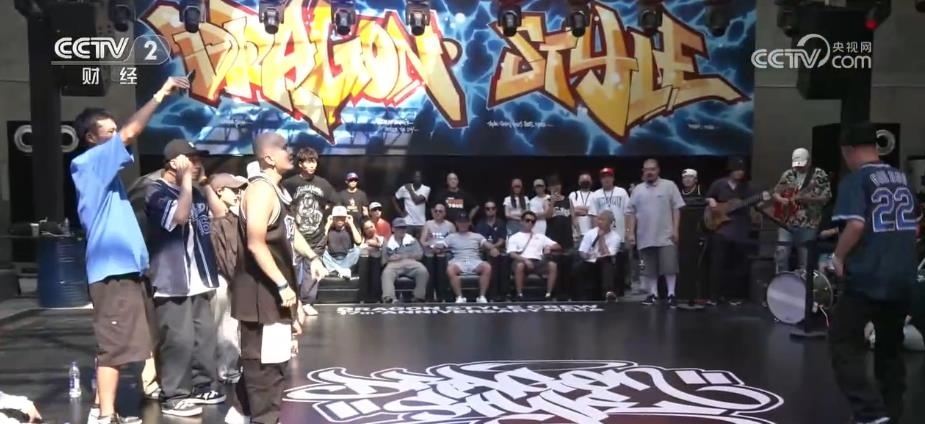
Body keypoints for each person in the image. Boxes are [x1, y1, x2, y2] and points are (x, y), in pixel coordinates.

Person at [70, 75, 188, 424]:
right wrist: (161, 93)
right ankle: (105, 415)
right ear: (91, 138)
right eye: (107, 132)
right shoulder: (88, 163)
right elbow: (131, 132)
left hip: (128, 271)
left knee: (122, 340)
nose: (116, 135)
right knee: (113, 345)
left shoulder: (107, 175)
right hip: (112, 272)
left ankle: (102, 408)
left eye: (114, 130)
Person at [229, 133, 325, 424]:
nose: (290, 152)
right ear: (268, 157)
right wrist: (282, 285)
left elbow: (290, 233)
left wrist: (312, 257)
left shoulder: (277, 190)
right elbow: (255, 243)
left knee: (275, 361)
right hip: (262, 293)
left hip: (276, 292)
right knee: (265, 366)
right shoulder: (260, 190)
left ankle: (240, 412)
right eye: (284, 148)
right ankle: (262, 418)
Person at [828, 122, 921, 424]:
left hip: (868, 275)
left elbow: (856, 224)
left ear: (849, 150)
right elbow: (912, 225)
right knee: (890, 349)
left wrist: (838, 256)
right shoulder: (902, 178)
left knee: (843, 342)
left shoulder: (856, 180)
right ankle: (891, 411)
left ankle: (869, 413)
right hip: (903, 276)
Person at [145, 140, 224, 416]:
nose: (197, 164)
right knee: (179, 339)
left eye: (198, 159)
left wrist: (204, 184)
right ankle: (175, 394)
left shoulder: (197, 191)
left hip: (199, 276)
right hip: (172, 278)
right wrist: (187, 183)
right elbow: (178, 216)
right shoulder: (155, 192)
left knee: (204, 336)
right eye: (191, 159)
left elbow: (220, 214)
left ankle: (203, 385)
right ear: (173, 163)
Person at [705, 157, 767, 306]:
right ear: (730, 170)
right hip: (721, 229)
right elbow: (708, 197)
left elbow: (757, 203)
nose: (740, 172)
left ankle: (733, 296)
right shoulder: (719, 184)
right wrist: (711, 201)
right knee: (718, 263)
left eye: (742, 170)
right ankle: (714, 296)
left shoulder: (747, 187)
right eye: (737, 170)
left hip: (740, 230)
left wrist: (763, 199)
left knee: (737, 265)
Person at [283, 147, 337, 315]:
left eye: (314, 161)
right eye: (308, 161)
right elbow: (282, 204)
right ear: (300, 164)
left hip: (316, 235)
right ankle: (293, 301)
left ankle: (307, 302)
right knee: (292, 268)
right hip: (296, 235)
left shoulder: (323, 183)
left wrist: (324, 211)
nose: (312, 165)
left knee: (312, 270)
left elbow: (335, 201)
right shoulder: (290, 183)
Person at [206, 173, 248, 385]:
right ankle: (225, 370)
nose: (239, 193)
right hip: (221, 280)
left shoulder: (234, 218)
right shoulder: (213, 221)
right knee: (224, 326)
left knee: (231, 326)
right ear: (220, 191)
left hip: (232, 278)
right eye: (235, 189)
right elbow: (224, 256)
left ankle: (228, 368)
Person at [626, 159, 685, 307]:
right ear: (643, 171)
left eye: (652, 169)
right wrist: (630, 233)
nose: (649, 172)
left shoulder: (669, 185)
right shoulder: (638, 189)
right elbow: (630, 212)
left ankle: (671, 294)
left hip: (666, 235)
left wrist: (676, 230)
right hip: (644, 235)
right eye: (646, 170)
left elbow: (676, 208)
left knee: (670, 266)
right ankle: (653, 294)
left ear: (658, 170)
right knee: (649, 268)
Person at [771, 148, 832, 273]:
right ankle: (781, 280)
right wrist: (782, 200)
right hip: (787, 222)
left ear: (808, 161)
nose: (798, 167)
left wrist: (808, 199)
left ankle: (803, 283)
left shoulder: (819, 174)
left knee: (806, 259)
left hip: (808, 224)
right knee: (781, 254)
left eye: (802, 164)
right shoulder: (788, 174)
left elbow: (826, 198)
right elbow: (775, 192)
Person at [588, 167, 631, 297]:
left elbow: (628, 213)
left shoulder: (622, 192)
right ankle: (606, 291)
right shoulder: (596, 194)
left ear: (613, 178)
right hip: (603, 236)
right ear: (600, 179)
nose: (606, 179)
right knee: (605, 263)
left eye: (609, 176)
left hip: (620, 234)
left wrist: (628, 232)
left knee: (620, 263)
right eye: (604, 177)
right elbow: (593, 215)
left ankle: (621, 291)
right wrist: (596, 234)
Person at [442, 212, 495, 303]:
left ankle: (482, 297)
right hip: (459, 261)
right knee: (450, 269)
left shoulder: (477, 236)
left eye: (465, 222)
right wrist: (436, 247)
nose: (463, 224)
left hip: (474, 261)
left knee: (487, 267)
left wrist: (493, 248)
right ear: (456, 223)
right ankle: (459, 297)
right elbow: (441, 246)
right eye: (460, 222)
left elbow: (487, 244)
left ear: (469, 223)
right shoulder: (451, 237)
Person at [507, 211, 561, 300]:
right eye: (527, 220)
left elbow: (558, 246)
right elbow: (512, 254)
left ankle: (548, 294)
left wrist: (549, 247)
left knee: (553, 265)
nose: (530, 223)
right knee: (520, 265)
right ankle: (519, 295)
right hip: (521, 261)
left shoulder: (540, 236)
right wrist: (525, 260)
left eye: (532, 221)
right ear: (522, 221)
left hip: (538, 262)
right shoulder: (515, 237)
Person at [575, 210, 622, 301]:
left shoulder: (616, 237)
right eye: (599, 219)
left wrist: (601, 238)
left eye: (603, 220)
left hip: (604, 261)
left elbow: (607, 255)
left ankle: (608, 292)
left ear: (610, 223)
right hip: (590, 261)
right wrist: (586, 255)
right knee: (577, 267)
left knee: (606, 262)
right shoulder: (590, 233)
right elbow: (582, 251)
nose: (599, 222)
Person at [381, 218, 429, 303]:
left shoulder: (412, 240)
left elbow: (420, 255)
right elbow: (384, 259)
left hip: (411, 262)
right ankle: (389, 298)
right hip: (394, 264)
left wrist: (405, 256)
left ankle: (419, 297)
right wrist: (390, 259)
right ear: (393, 229)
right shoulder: (387, 241)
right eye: (399, 228)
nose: (402, 230)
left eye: (403, 228)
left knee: (423, 271)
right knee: (386, 273)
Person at [321, 206, 363, 278]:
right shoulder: (329, 229)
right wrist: (328, 224)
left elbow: (359, 241)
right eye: (337, 217)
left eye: (342, 217)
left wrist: (351, 224)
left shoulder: (350, 228)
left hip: (346, 259)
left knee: (357, 250)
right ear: (333, 218)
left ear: (345, 218)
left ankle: (336, 270)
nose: (339, 220)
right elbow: (320, 242)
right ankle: (342, 271)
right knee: (321, 251)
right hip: (332, 259)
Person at [393, 170, 430, 238]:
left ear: (422, 178)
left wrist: (410, 190)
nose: (417, 178)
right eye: (415, 176)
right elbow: (394, 199)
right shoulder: (404, 188)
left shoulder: (426, 189)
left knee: (421, 243)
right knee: (407, 242)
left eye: (419, 177)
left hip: (420, 223)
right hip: (407, 222)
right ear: (412, 178)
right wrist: (400, 212)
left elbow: (417, 201)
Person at [569, 173, 595, 245]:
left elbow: (597, 211)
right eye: (583, 180)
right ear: (579, 182)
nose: (585, 182)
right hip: (577, 233)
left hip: (591, 232)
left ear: (591, 182)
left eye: (587, 180)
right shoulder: (573, 194)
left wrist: (579, 208)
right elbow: (572, 211)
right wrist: (589, 210)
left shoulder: (595, 195)